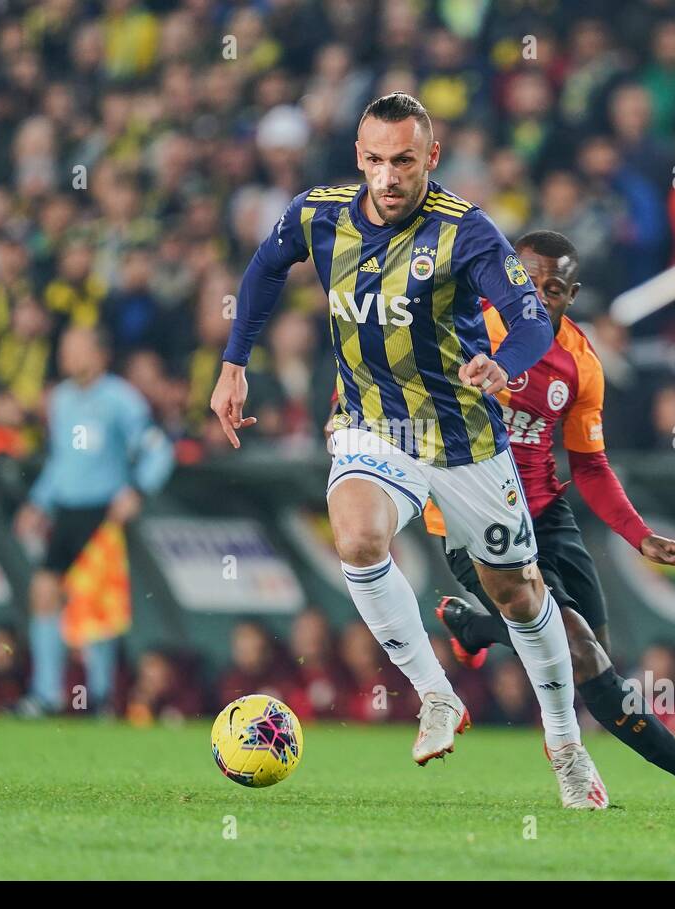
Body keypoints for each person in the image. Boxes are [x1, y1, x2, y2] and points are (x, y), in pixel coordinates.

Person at [211, 92, 607, 809]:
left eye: (402, 161)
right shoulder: (320, 213)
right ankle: (437, 695)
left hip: (462, 441)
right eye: (373, 161)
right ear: (357, 157)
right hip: (372, 426)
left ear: (431, 157)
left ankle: (565, 744)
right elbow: (266, 267)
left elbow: (528, 321)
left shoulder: (468, 232)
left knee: (517, 595)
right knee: (358, 539)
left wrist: (504, 364)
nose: (387, 178)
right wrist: (235, 360)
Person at [429, 230, 675, 812]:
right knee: (576, 650)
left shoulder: (580, 362)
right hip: (472, 523)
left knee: (588, 654)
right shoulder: (459, 331)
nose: (538, 297)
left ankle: (476, 630)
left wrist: (641, 536)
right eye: (527, 281)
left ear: (571, 294)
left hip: (546, 514)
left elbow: (591, 466)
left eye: (554, 288)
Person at [13, 327, 174, 716]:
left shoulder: (121, 399)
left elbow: (157, 448)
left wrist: (137, 490)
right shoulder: (63, 400)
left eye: (76, 347)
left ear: (100, 354)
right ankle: (46, 695)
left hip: (102, 513)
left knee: (96, 606)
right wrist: (37, 502)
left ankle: (101, 697)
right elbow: (59, 461)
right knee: (44, 591)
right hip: (66, 510)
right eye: (65, 347)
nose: (67, 355)